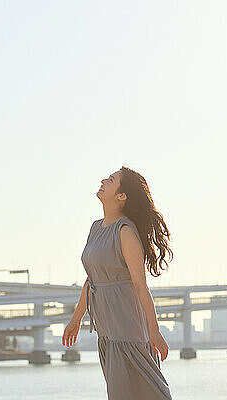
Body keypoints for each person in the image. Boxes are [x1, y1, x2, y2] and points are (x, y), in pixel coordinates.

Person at [62, 166, 173, 400]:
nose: (103, 180)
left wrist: (154, 332)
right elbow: (91, 279)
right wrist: (75, 320)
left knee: (148, 392)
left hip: (128, 327)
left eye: (111, 180)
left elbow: (141, 286)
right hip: (107, 328)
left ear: (122, 196)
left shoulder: (125, 231)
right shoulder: (95, 228)